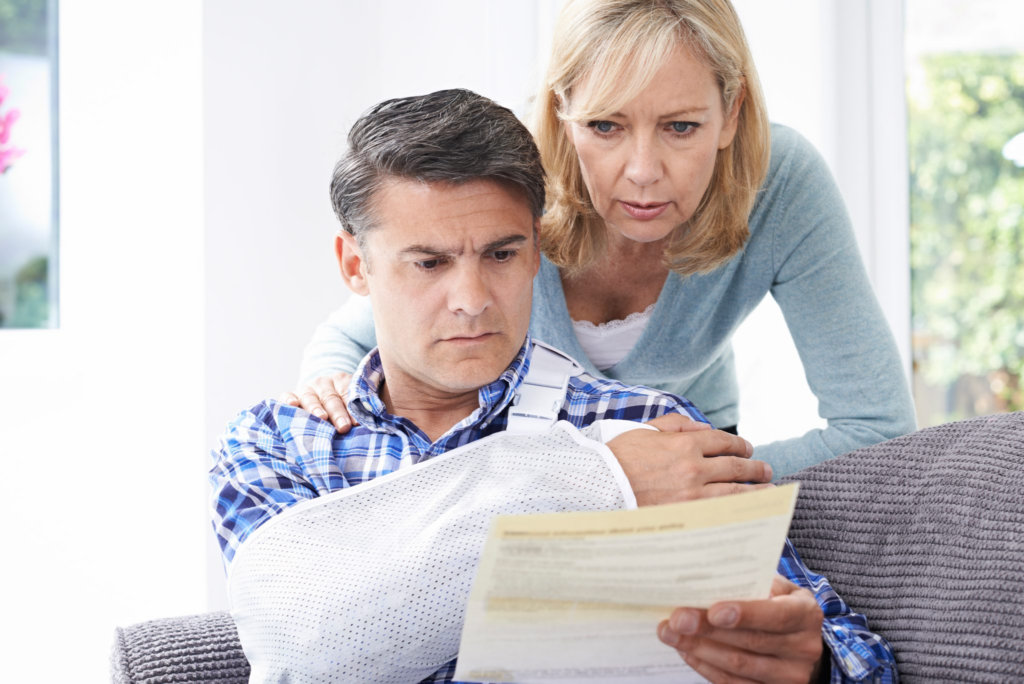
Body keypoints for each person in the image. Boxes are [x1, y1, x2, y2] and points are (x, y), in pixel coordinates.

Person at [211, 89, 896, 684]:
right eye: (429, 263)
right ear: (355, 266)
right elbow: (302, 652)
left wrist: (809, 665)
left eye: (502, 254)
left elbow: (856, 651)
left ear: (536, 250)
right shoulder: (278, 446)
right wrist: (595, 480)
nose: (473, 298)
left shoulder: (656, 430)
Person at [286, 0, 916, 479]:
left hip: (691, 442)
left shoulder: (782, 181)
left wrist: (705, 479)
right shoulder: (509, 179)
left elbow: (879, 428)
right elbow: (349, 338)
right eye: (605, 125)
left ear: (732, 113)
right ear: (561, 108)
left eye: (681, 126)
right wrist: (610, 483)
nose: (642, 171)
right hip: (527, 472)